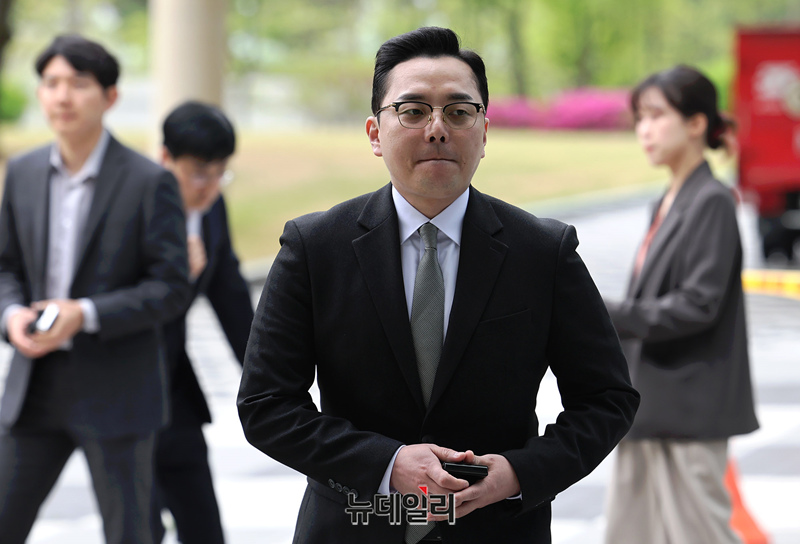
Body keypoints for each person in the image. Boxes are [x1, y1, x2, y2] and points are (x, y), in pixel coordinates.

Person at [238, 26, 639, 544]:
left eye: (458, 111)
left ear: (484, 132)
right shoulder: (315, 248)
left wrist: (519, 474)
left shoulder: (544, 251)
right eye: (412, 111)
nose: (437, 129)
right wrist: (386, 464)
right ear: (375, 133)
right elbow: (266, 403)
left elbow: (607, 398)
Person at [0, 35, 190, 544]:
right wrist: (12, 314)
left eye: (78, 84)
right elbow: (5, 268)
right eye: (51, 83)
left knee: (130, 534)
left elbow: (171, 287)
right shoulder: (22, 173)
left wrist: (84, 313)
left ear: (110, 97)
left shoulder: (149, 181)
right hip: (34, 387)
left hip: (117, 391)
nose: (62, 96)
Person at [603, 65, 760, 544]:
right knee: (632, 534)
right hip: (649, 405)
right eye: (639, 118)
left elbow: (698, 305)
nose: (644, 130)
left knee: (697, 534)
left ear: (696, 123)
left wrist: (605, 312)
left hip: (687, 408)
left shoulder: (711, 200)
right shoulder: (669, 200)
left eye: (656, 116)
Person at [151, 101, 254, 544]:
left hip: (175, 389)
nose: (209, 187)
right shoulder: (133, 203)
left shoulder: (212, 208)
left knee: (203, 524)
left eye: (220, 173)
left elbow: (230, 296)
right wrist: (173, 280)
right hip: (121, 390)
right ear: (165, 158)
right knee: (138, 525)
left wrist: (268, 376)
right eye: (198, 173)